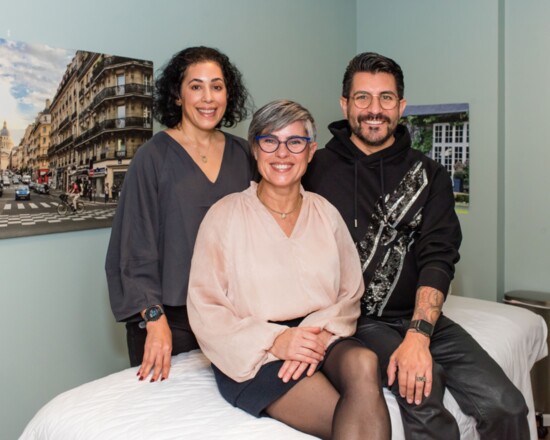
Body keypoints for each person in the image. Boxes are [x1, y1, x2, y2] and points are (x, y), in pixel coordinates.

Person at [303, 52, 529, 440]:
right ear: (345, 104)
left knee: (507, 405)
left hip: (422, 317)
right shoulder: (314, 169)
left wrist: (419, 334)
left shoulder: (430, 175)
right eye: (362, 98)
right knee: (424, 390)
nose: (375, 110)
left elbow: (438, 255)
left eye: (386, 98)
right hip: (360, 320)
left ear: (401, 105)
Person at [188, 100, 391, 440]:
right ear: (255, 149)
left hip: (322, 333)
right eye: (270, 141)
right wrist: (278, 339)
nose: (282, 153)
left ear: (310, 152)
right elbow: (205, 308)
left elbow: (351, 291)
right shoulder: (224, 216)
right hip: (255, 350)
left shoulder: (326, 213)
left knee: (364, 363)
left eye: (295, 142)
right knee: (342, 419)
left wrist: (318, 334)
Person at [105, 46, 253, 383]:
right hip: (168, 321)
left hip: (231, 318)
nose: (208, 98)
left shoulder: (244, 154)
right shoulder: (152, 157)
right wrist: (154, 320)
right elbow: (132, 250)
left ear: (228, 94)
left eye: (217, 86)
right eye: (196, 86)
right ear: (177, 95)